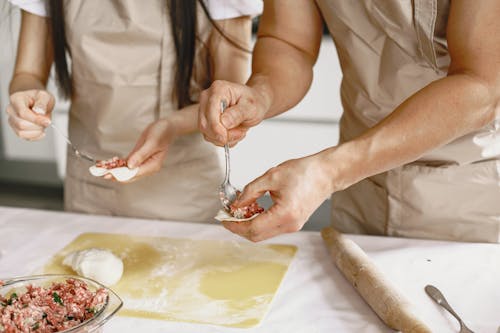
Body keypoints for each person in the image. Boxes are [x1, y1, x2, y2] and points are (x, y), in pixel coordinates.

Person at [198, 0, 500, 242]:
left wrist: (328, 172)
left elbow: (481, 84)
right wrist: (261, 94)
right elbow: (289, 42)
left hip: (467, 192)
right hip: (361, 187)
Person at [5, 0, 261, 222]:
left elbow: (228, 99)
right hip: (89, 189)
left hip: (183, 191)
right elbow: (28, 74)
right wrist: (27, 98)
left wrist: (170, 126)